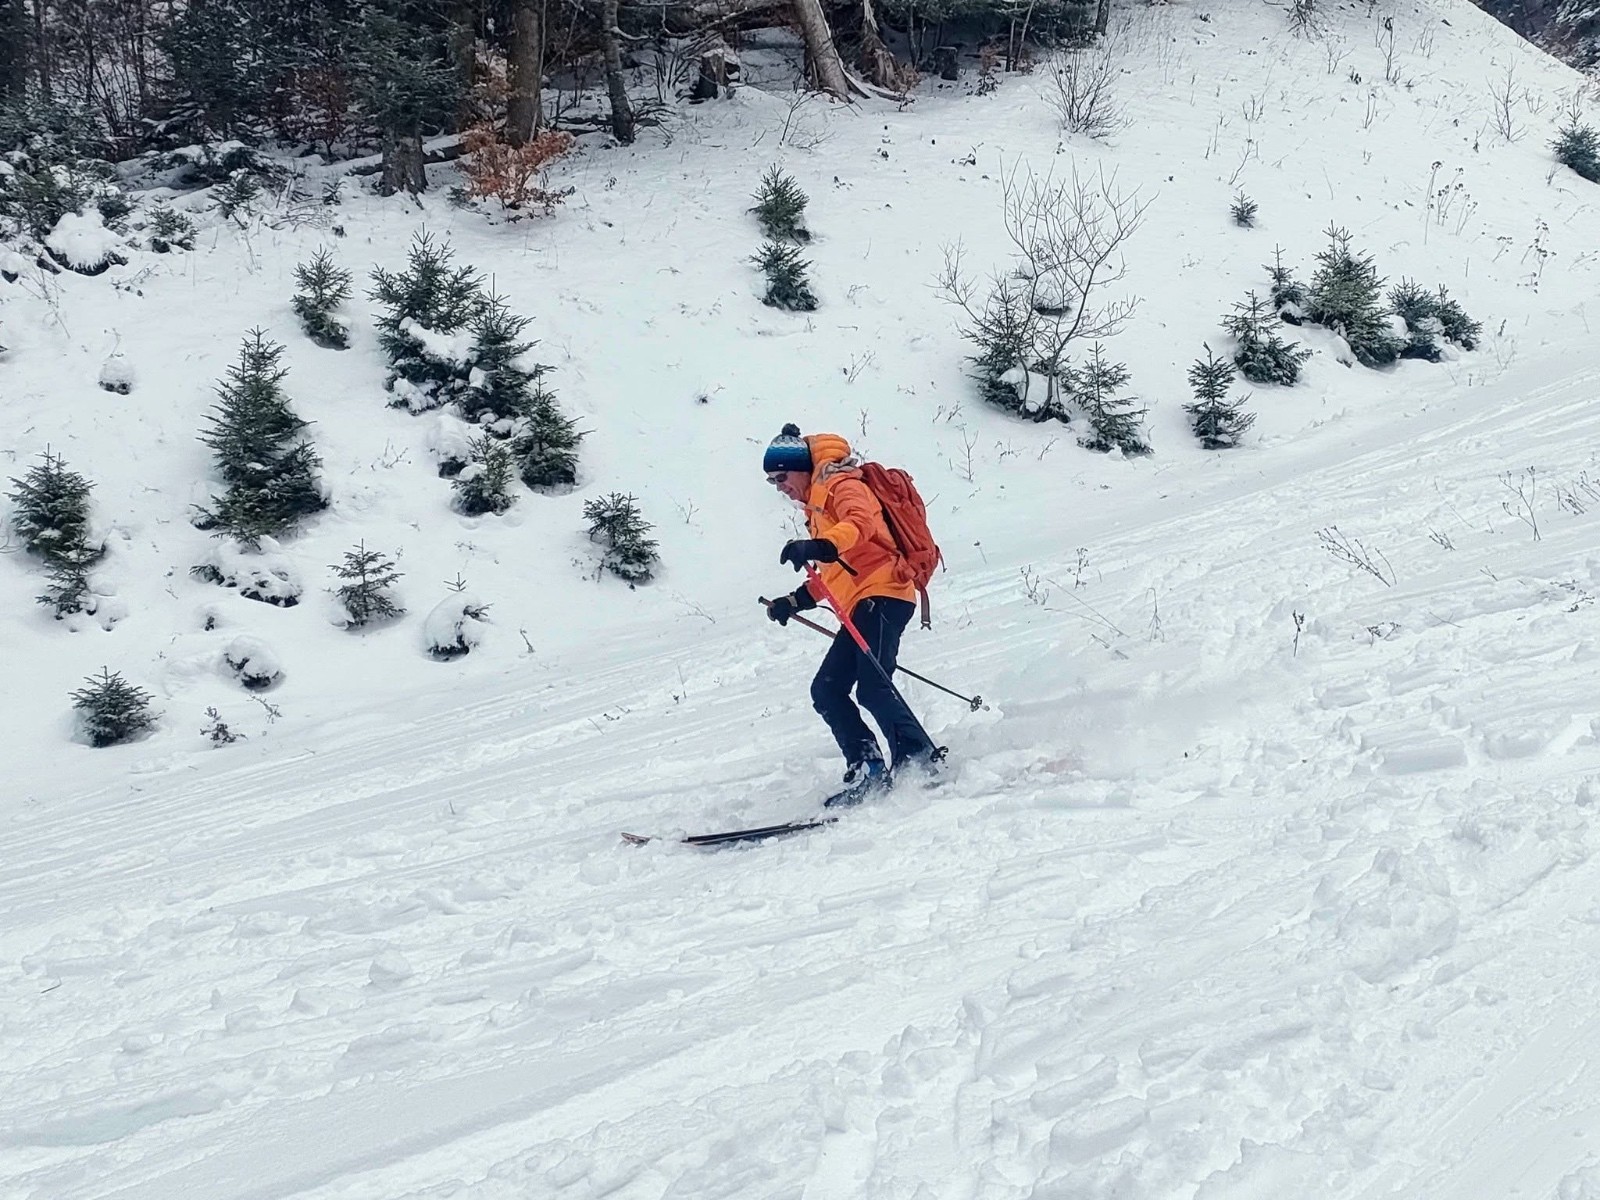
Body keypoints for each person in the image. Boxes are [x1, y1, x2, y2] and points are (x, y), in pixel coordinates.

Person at [762, 424, 937, 805]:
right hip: (863, 600)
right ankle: (868, 767)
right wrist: (794, 601)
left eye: (781, 476)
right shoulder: (818, 506)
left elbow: (860, 525)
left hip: (886, 592)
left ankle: (919, 761)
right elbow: (838, 571)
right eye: (772, 481)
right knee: (826, 689)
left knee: (873, 687)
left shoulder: (843, 484)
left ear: (802, 468)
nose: (779, 486)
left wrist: (822, 544)